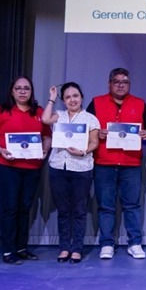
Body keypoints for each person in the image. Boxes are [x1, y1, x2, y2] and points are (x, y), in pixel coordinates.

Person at [87, 67, 146, 260]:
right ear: (109, 84)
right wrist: (97, 133)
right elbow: (87, 128)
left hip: (131, 163)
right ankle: (107, 243)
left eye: (124, 82)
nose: (120, 85)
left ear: (129, 84)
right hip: (104, 161)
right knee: (106, 206)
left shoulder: (139, 103)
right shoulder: (97, 102)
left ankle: (135, 243)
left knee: (132, 205)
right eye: (116, 82)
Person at [0, 76, 51, 265]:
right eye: (18, 88)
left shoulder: (39, 112)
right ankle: (8, 250)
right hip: (7, 167)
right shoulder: (2, 110)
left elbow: (47, 136)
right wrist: (0, 150)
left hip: (32, 167)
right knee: (10, 208)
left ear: (31, 92)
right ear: (12, 91)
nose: (22, 91)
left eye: (27, 88)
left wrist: (45, 149)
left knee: (25, 208)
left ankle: (21, 248)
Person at [42, 82, 100, 263]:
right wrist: (51, 99)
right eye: (67, 97)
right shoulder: (58, 115)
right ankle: (64, 248)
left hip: (81, 168)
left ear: (81, 97)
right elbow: (44, 120)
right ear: (63, 101)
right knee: (63, 211)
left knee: (80, 210)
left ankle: (76, 249)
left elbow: (94, 143)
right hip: (58, 167)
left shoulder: (90, 119)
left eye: (75, 96)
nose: (72, 100)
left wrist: (82, 151)